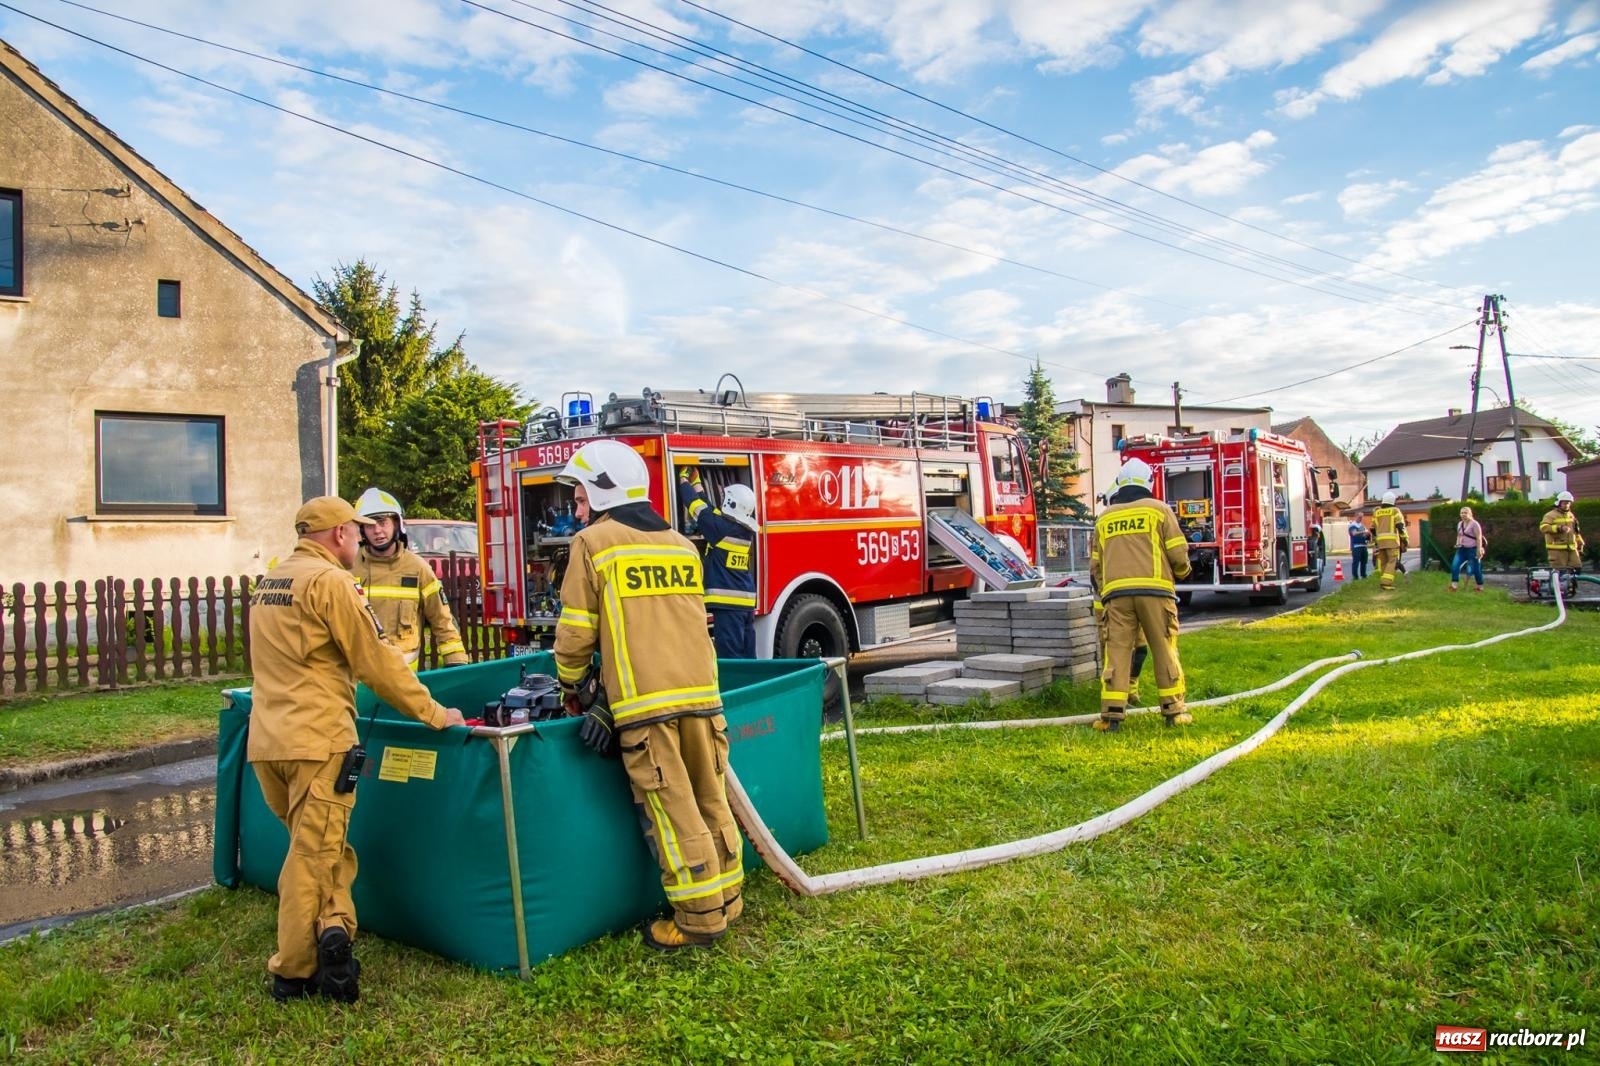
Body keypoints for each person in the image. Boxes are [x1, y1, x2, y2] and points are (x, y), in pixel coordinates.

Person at [248, 497, 465, 1003]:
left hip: (269, 743)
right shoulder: (332, 583)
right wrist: (435, 713)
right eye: (356, 529)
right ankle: (294, 972)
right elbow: (377, 661)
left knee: (324, 849)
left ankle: (335, 928)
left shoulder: (273, 581)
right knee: (311, 856)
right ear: (339, 534)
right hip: (319, 743)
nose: (362, 537)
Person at [552, 440, 743, 952]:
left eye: (578, 498)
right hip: (703, 698)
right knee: (711, 800)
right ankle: (728, 899)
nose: (575, 509)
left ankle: (699, 921)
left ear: (600, 490)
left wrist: (574, 686)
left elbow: (575, 633)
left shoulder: (593, 544)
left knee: (673, 812)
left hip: (646, 708)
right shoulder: (681, 545)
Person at [1090, 458, 1192, 732]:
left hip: (1116, 596)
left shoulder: (1106, 517)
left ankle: (1111, 716)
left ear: (1121, 485)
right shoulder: (1159, 511)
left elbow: (1096, 565)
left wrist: (1106, 589)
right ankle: (1173, 711)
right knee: (1164, 649)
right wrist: (1182, 572)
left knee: (1117, 652)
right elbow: (1177, 553)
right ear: (1149, 483)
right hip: (1155, 593)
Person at [352, 488, 469, 668]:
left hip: (403, 675)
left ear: (396, 524)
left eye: (383, 523)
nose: (377, 531)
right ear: (362, 530)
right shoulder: (349, 568)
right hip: (358, 673)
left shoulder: (417, 568)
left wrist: (456, 662)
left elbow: (442, 620)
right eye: (369, 525)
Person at [677, 468, 759, 658]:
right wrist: (697, 483)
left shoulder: (721, 529)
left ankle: (733, 687)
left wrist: (683, 479)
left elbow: (696, 507)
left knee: (730, 656)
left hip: (728, 606)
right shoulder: (741, 529)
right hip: (745, 603)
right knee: (748, 655)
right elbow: (710, 510)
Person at [1539, 491, 1585, 573]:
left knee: (1577, 568)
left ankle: (1572, 586)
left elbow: (1575, 531)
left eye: (1568, 503)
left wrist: (1580, 542)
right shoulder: (1550, 515)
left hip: (1571, 549)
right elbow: (1543, 527)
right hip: (1557, 549)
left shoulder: (1571, 515)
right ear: (1559, 503)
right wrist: (1559, 528)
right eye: (1564, 503)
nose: (1566, 505)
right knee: (1560, 572)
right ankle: (1559, 585)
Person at [1371, 492, 1409, 592]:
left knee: (1383, 562)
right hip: (1392, 542)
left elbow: (1372, 529)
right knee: (1392, 561)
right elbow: (1400, 526)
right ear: (1393, 501)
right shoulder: (1395, 511)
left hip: (1380, 542)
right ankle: (1386, 583)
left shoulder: (1377, 512)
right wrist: (1405, 539)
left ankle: (1383, 582)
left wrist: (1376, 540)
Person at [1450, 505, 1487, 592]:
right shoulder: (1460, 524)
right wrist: (1457, 544)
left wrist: (1478, 550)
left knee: (1476, 568)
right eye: (1462, 513)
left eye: (1465, 513)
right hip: (1462, 549)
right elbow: (1459, 535)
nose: (1463, 514)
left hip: (1473, 549)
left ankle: (1479, 586)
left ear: (1470, 514)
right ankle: (1454, 585)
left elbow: (1478, 537)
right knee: (1455, 565)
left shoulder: (1475, 524)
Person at [1346, 512, 1370, 580]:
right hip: (1356, 546)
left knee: (1364, 561)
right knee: (1356, 562)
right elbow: (1354, 533)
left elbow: (1365, 534)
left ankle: (1363, 575)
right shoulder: (1352, 525)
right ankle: (1355, 576)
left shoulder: (1361, 525)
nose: (1361, 519)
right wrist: (1363, 532)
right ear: (1355, 516)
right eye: (1359, 517)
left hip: (1363, 545)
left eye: (1362, 517)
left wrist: (1367, 534)